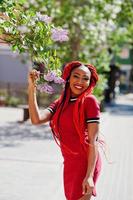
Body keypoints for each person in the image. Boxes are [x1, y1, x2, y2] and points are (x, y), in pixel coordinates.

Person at [28, 60, 102, 200]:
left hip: (85, 163)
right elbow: (36, 119)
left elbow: (94, 140)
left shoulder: (89, 101)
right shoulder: (60, 103)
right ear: (68, 78)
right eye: (76, 76)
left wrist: (89, 176)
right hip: (69, 162)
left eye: (85, 78)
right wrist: (32, 87)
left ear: (89, 82)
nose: (80, 81)